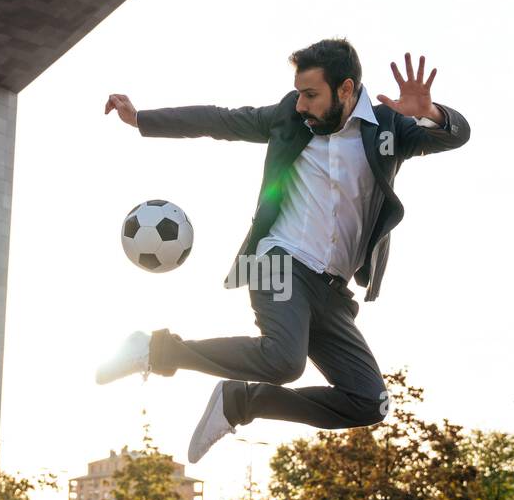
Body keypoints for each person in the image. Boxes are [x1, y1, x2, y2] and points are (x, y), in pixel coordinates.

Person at [100, 39, 470, 463]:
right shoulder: (286, 118)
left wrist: (432, 114)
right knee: (283, 360)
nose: (301, 105)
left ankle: (241, 403)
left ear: (346, 89)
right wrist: (141, 118)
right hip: (274, 259)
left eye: (311, 95)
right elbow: (220, 120)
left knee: (370, 402)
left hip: (330, 290)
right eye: (298, 93)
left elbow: (457, 136)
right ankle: (155, 350)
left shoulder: (388, 128)